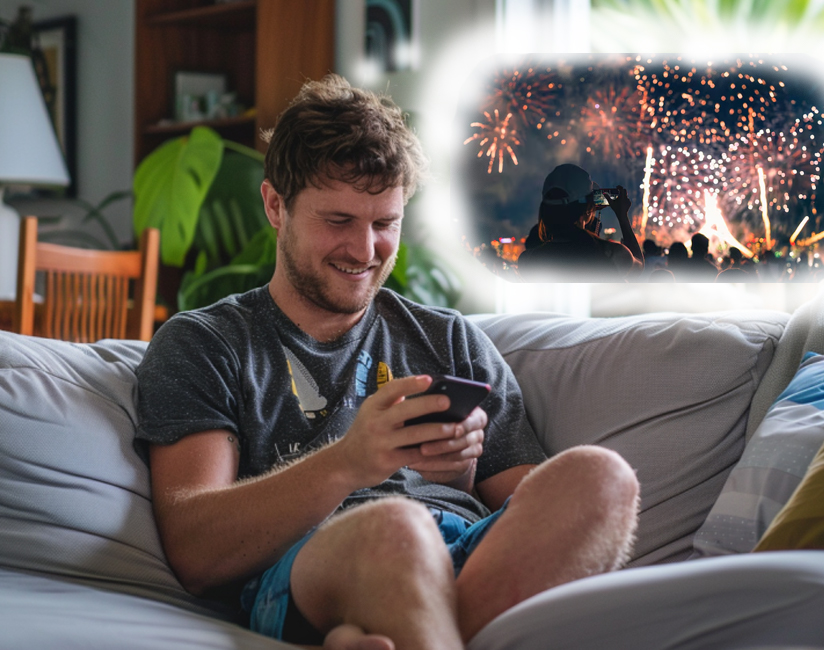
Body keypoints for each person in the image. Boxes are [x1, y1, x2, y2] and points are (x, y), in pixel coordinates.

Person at [134, 75, 640, 650]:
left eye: (384, 224)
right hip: (320, 562)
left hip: (466, 554)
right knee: (397, 526)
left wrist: (460, 472)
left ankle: (398, 630)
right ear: (276, 206)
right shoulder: (205, 343)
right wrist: (350, 462)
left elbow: (526, 507)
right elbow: (196, 550)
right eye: (338, 221)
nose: (364, 250)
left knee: (603, 478)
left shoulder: (449, 338)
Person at [515, 164, 644, 282]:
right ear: (587, 210)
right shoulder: (612, 255)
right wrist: (622, 216)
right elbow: (638, 266)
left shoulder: (527, 261)